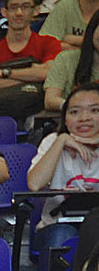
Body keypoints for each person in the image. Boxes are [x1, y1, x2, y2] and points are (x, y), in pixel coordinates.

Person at [25, 83, 99, 253]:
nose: (84, 117)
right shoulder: (52, 141)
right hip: (56, 227)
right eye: (74, 112)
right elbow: (35, 184)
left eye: (94, 110)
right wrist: (62, 141)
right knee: (63, 236)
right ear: (65, 119)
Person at [0, 0, 62, 119]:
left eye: (26, 7)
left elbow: (49, 73)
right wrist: (33, 75)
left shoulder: (49, 43)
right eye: (14, 7)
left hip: (38, 114)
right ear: (4, 12)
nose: (19, 13)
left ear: (36, 10)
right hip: (0, 114)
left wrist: (5, 73)